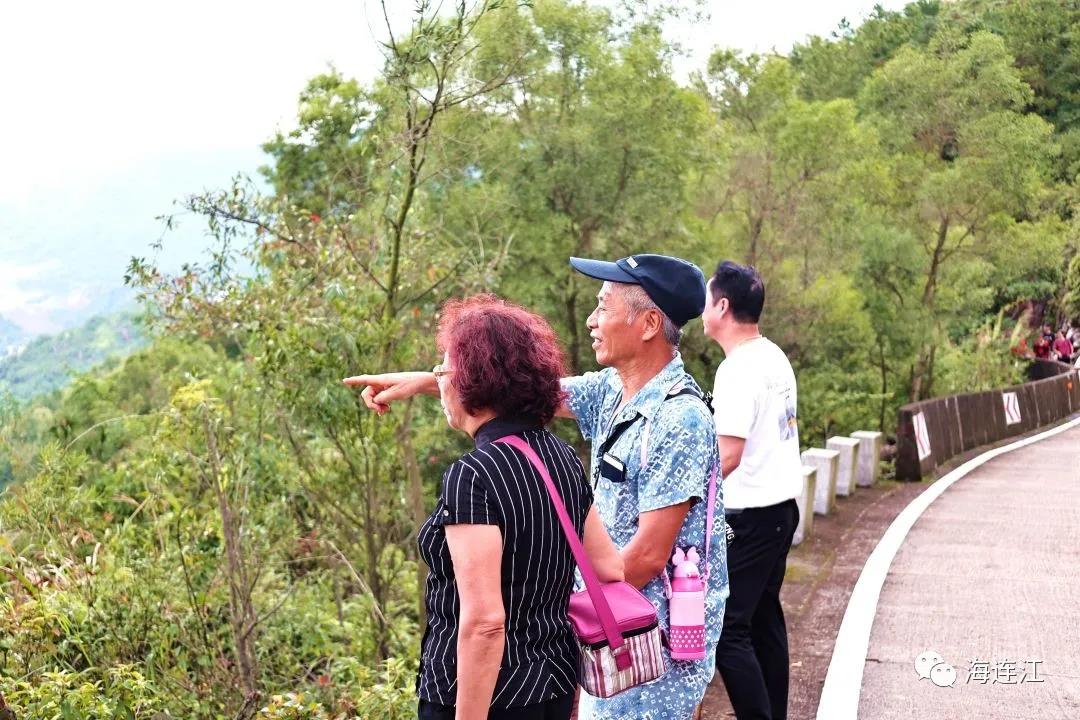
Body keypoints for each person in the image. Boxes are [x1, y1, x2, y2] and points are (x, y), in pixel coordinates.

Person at [347, 255, 728, 720]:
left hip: (646, 643)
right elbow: (509, 386)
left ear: (649, 323)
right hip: (601, 632)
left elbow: (647, 556)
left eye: (603, 308)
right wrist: (428, 382)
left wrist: (545, 614)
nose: (591, 321)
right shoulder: (612, 389)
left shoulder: (679, 417)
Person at [348, 295, 625, 720]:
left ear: (468, 380)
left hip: (485, 699)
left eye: (441, 371)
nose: (438, 381)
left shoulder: (473, 476)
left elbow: (484, 624)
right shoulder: (561, 457)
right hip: (553, 684)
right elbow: (608, 569)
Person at [702, 261, 802, 720]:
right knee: (763, 620)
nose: (702, 310)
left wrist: (683, 498)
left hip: (750, 515)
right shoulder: (772, 355)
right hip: (781, 509)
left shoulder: (738, 370)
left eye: (707, 300)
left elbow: (728, 455)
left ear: (722, 306)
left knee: (726, 632)